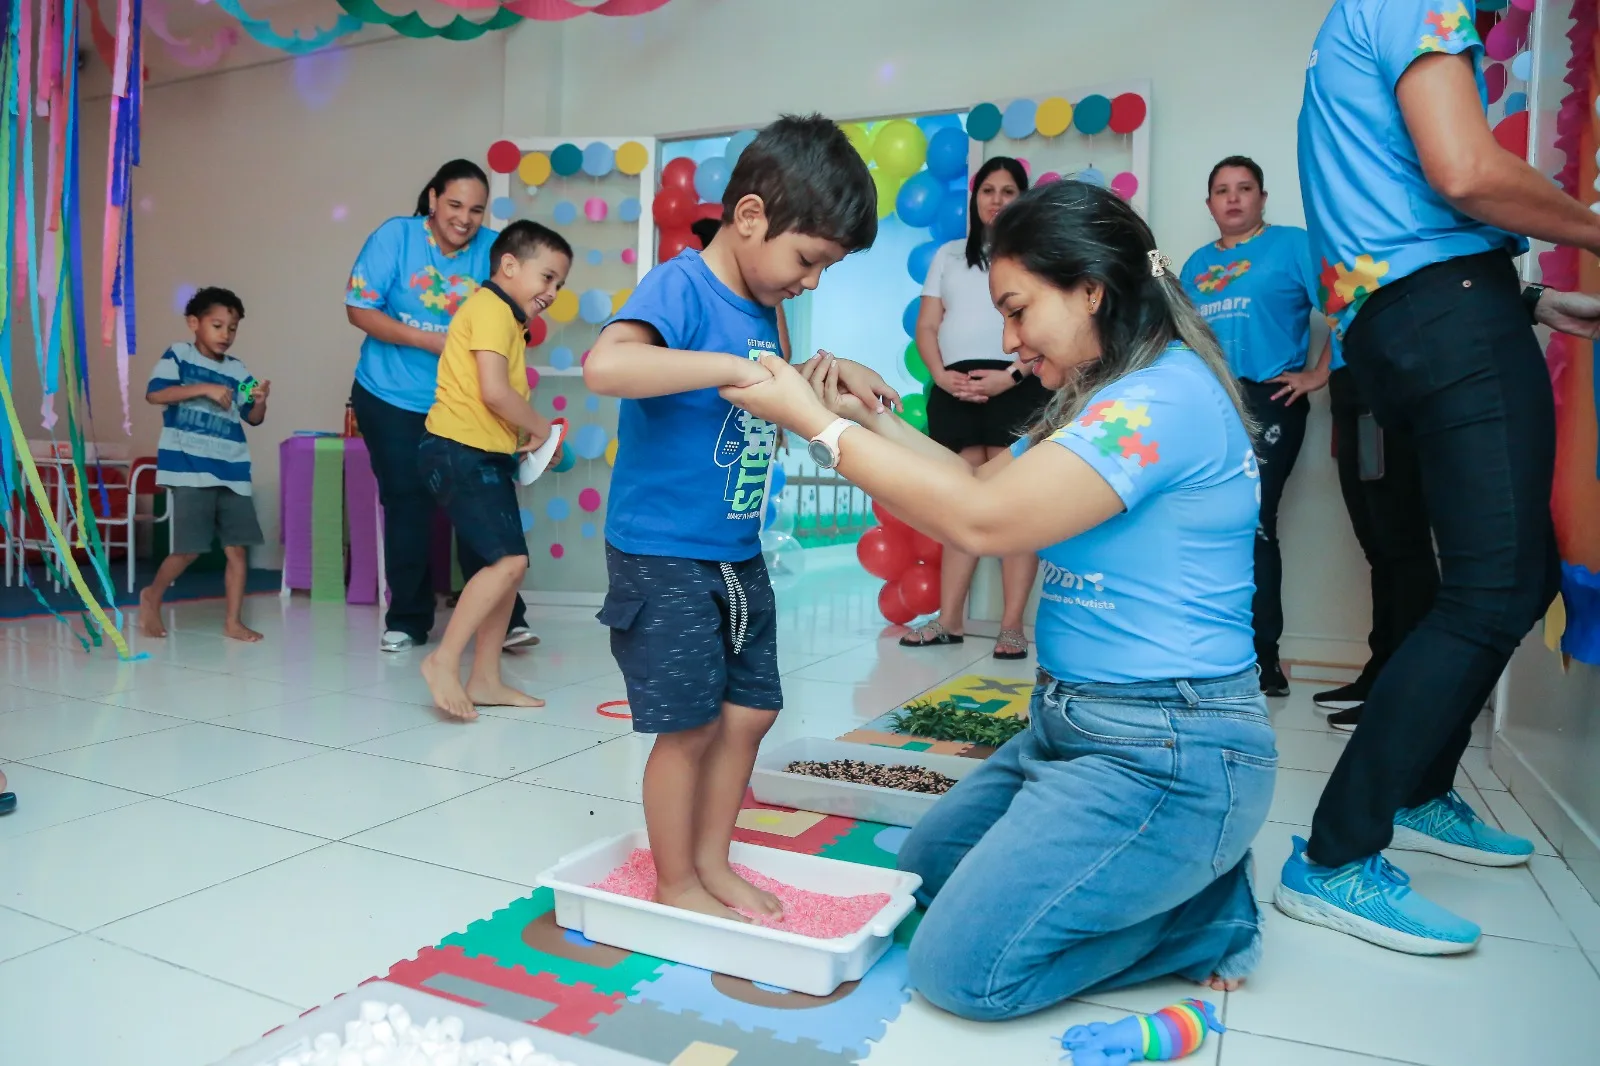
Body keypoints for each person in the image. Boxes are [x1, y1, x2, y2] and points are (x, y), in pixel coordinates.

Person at [721, 180, 1276, 1019]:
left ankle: (1204, 910)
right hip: (1069, 725)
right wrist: (867, 417)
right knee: (926, 869)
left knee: (962, 972)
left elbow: (982, 523)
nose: (1010, 340)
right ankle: (1176, 872)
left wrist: (816, 428)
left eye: (1018, 311)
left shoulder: (1159, 401)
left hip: (1167, 748)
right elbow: (970, 483)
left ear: (1091, 288)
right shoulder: (1102, 394)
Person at [1283, 0, 1600, 956]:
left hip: (1399, 325)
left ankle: (1420, 788)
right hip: (1449, 313)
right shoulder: (1416, 2)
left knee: (1507, 576)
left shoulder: (1352, 23)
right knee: (1495, 585)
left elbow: (1391, 223)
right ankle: (1337, 855)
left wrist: (1533, 298)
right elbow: (1463, 173)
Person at [585, 114, 892, 922]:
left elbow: (774, 387)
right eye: (809, 261)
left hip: (734, 549)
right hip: (662, 552)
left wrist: (825, 376)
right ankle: (675, 879)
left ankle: (712, 863)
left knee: (751, 711)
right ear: (750, 218)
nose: (812, 281)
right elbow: (606, 364)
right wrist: (732, 366)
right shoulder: (681, 286)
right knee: (686, 727)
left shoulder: (766, 307)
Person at [345, 160, 538, 653]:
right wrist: (430, 341)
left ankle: (503, 617)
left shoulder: (496, 251)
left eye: (476, 209)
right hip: (391, 395)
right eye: (454, 205)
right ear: (432, 199)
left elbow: (527, 315)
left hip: (466, 404)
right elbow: (359, 309)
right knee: (407, 504)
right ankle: (408, 620)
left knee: (481, 500)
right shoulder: (396, 238)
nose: (465, 218)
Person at [1180, 157, 1333, 697]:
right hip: (1208, 407)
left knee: (1254, 523)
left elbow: (1343, 304)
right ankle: (1208, 656)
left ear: (1263, 197)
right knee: (1207, 526)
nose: (1233, 198)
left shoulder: (1294, 245)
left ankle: (1262, 660)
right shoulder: (1196, 264)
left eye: (1244, 188)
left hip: (1269, 400)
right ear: (1209, 204)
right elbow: (1178, 340)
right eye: (1221, 190)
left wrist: (1318, 372)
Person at [418, 222, 571, 720]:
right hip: (457, 449)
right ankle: (443, 661)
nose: (551, 292)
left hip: (481, 453)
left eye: (559, 285)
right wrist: (543, 429)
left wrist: (521, 435)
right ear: (509, 265)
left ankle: (484, 679)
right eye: (546, 278)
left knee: (509, 566)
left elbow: (499, 398)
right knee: (507, 563)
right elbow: (493, 391)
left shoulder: (505, 317)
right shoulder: (490, 309)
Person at [902, 156, 1050, 660]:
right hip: (955, 387)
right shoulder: (947, 255)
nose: (997, 199)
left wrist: (1010, 376)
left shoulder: (1038, 257)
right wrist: (942, 376)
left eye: (1009, 191)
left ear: (1023, 200)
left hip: (1019, 382)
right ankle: (950, 621)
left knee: (1015, 504)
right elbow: (927, 327)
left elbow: (1048, 329)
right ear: (975, 198)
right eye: (989, 190)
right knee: (959, 503)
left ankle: (1012, 627)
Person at [138, 287, 269, 643]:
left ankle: (233, 621)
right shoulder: (178, 356)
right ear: (194, 323)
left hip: (232, 468)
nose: (225, 334)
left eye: (232, 327)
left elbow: (253, 418)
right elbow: (156, 393)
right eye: (217, 325)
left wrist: (259, 401)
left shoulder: (238, 369)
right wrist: (206, 388)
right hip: (189, 467)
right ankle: (152, 596)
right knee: (189, 548)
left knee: (237, 548)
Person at [1315, 366, 1438, 731]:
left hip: (1389, 383)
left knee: (1403, 547)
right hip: (1351, 388)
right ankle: (1380, 675)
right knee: (1378, 550)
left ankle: (1404, 692)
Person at [690, 217, 793, 362]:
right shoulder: (686, 284)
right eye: (804, 260)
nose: (812, 283)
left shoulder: (768, 296)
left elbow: (780, 358)